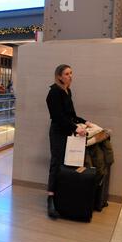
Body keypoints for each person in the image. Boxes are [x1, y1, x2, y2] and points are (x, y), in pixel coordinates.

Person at [46, 64, 92, 219]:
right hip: (58, 133)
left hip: (67, 131)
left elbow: (71, 115)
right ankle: (50, 199)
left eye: (71, 73)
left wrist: (84, 122)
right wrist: (75, 128)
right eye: (66, 73)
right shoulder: (54, 92)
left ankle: (62, 196)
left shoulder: (67, 91)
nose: (70, 76)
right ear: (59, 76)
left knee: (67, 163)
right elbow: (58, 117)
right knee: (56, 163)